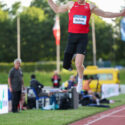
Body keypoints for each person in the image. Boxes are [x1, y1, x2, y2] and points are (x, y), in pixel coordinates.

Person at [48, 0, 125, 93]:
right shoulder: (71, 4)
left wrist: (120, 14)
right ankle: (72, 59)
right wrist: (49, 1)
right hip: (72, 37)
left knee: (78, 64)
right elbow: (56, 9)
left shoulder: (90, 6)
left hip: (82, 38)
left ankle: (80, 81)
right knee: (65, 65)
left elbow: (104, 13)